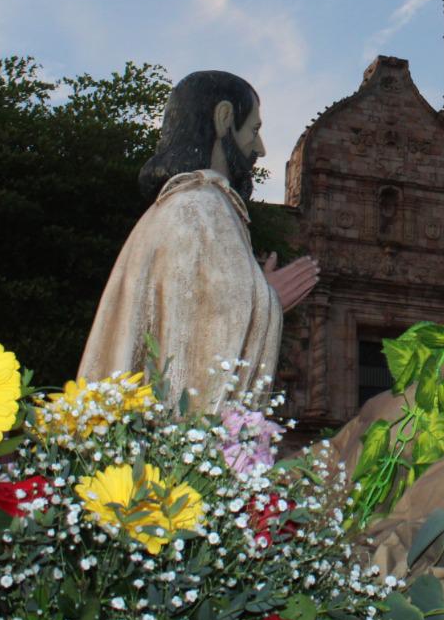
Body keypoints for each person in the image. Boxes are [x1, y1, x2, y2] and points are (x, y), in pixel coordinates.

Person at [79, 71, 319, 411]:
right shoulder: (202, 207)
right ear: (224, 118)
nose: (260, 148)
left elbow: (189, 309)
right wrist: (267, 300)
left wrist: (256, 292)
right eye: (254, 130)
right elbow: (204, 334)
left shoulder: (181, 206)